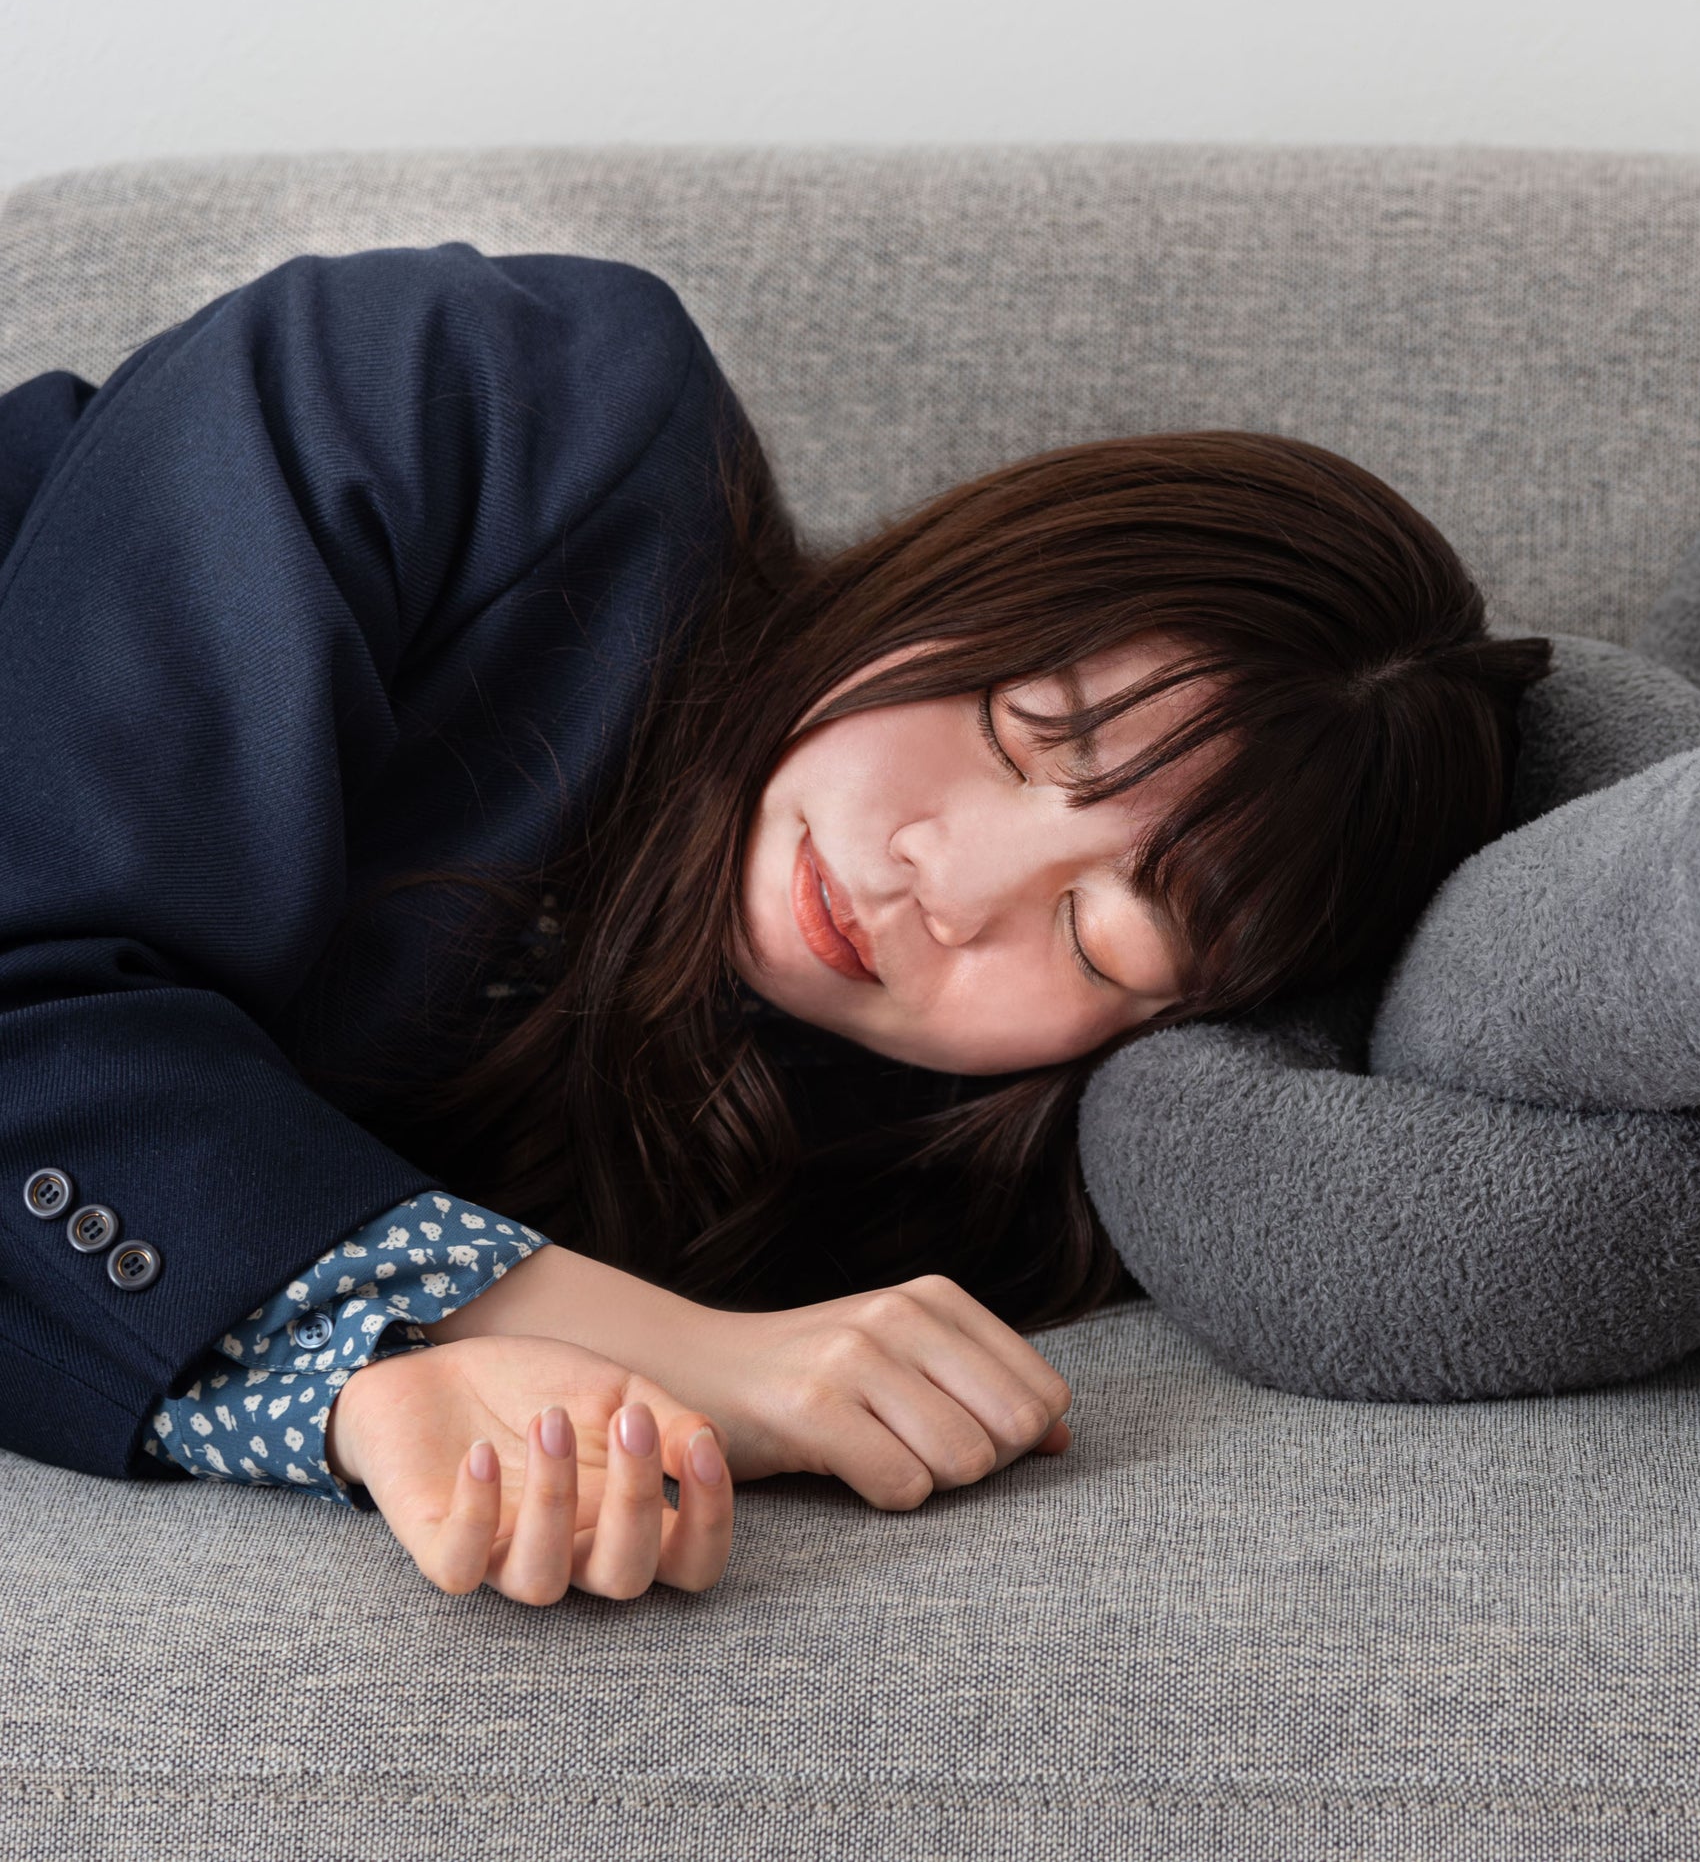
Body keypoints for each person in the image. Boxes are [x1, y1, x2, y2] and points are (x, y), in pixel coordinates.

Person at [0, 243, 1549, 1606]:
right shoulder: (510, 401)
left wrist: (370, 1392)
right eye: (1025, 735)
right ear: (965, 578)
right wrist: (671, 1347)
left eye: (1099, 945)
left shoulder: (897, 1177)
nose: (946, 887)